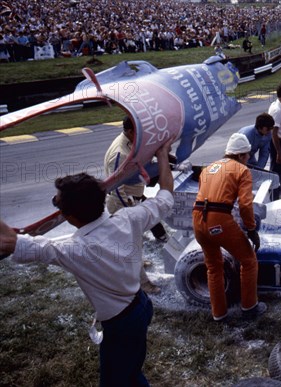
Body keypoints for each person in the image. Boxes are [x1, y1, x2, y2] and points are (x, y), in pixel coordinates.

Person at [0, 139, 175, 387]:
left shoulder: (73, 249)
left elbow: (9, 242)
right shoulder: (128, 219)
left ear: (70, 218)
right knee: (131, 371)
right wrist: (163, 155)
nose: (55, 201)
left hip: (121, 324)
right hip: (141, 306)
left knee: (116, 381)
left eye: (56, 202)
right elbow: (166, 196)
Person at [192, 133, 265, 322]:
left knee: (213, 267)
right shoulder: (241, 170)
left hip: (198, 219)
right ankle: (249, 307)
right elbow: (245, 205)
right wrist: (251, 229)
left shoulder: (208, 168)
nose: (248, 159)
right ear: (241, 155)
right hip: (219, 219)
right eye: (247, 155)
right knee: (248, 260)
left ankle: (219, 314)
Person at [104, 116, 168, 293]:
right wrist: (130, 211)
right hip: (122, 204)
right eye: (139, 131)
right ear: (131, 131)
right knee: (132, 245)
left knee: (136, 241)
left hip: (133, 199)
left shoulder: (130, 142)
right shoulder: (120, 153)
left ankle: (138, 264)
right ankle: (143, 283)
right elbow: (116, 188)